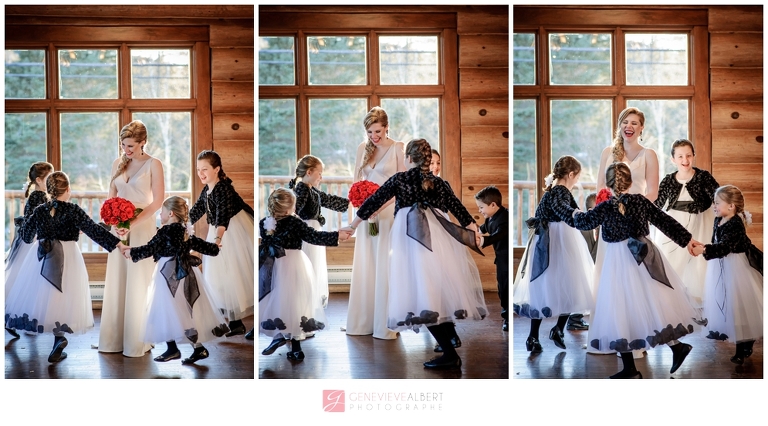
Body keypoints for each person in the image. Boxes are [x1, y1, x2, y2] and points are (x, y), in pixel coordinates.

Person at [341, 138, 488, 370]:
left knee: (422, 294)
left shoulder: (400, 179)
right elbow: (459, 209)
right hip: (439, 242)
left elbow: (373, 202)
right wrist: (474, 229)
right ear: (428, 160)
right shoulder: (440, 183)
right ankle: (449, 338)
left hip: (412, 242)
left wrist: (352, 225)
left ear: (408, 159)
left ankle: (450, 354)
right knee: (436, 288)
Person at [572, 162, 703, 378]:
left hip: (620, 262)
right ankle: (674, 348)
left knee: (619, 309)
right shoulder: (640, 201)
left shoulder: (605, 207)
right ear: (630, 181)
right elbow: (664, 220)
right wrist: (687, 239)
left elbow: (584, 222)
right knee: (650, 304)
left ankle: (633, 367)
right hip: (642, 258)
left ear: (609, 184)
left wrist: (572, 212)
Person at [5, 172, 125, 362]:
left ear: (50, 190)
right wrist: (118, 244)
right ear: (68, 189)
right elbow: (93, 230)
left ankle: (57, 338)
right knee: (63, 294)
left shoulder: (40, 210)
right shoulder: (73, 210)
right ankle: (59, 338)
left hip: (43, 255)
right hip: (68, 255)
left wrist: (31, 227)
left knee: (45, 295)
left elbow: (27, 236)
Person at [124, 196, 230, 364]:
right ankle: (199, 349)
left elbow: (151, 248)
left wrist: (131, 252)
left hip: (169, 275)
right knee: (183, 310)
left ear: (171, 213)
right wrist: (215, 245)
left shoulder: (166, 231)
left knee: (166, 309)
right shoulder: (186, 231)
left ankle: (173, 349)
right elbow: (205, 247)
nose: (160, 214)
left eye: (162, 212)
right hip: (186, 273)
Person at [593, 107, 659, 358]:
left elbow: (652, 191)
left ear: (642, 128)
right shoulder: (607, 153)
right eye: (625, 122)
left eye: (634, 123)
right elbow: (601, 187)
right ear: (619, 126)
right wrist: (603, 216)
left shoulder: (649, 154)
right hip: (610, 223)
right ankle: (610, 335)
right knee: (608, 280)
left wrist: (631, 208)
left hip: (635, 224)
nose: (629, 126)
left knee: (635, 280)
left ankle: (636, 337)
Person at [259, 188, 351, 361]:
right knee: (295, 303)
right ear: (289, 209)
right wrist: (337, 235)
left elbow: (267, 242)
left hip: (273, 265)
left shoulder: (264, 222)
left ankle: (278, 336)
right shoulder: (295, 222)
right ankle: (296, 347)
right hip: (294, 264)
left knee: (277, 300)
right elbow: (314, 237)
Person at [513, 156, 593, 352]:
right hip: (556, 241)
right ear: (571, 174)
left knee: (559, 285)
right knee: (560, 284)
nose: (576, 182)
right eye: (576, 177)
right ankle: (551, 331)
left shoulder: (553, 190)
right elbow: (562, 209)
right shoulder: (559, 191)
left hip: (552, 239)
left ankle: (546, 333)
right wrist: (577, 217)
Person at [99, 120, 165, 357]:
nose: (126, 150)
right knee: (118, 280)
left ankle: (137, 341)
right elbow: (110, 198)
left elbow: (157, 202)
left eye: (130, 145)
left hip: (142, 227)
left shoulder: (153, 164)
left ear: (142, 142)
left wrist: (132, 223)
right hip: (118, 230)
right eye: (123, 145)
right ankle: (113, 339)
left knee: (138, 281)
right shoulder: (117, 163)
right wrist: (115, 223)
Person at [345, 106, 405, 340]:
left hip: (388, 214)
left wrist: (379, 206)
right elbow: (355, 183)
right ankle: (362, 323)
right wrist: (362, 206)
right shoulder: (363, 149)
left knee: (385, 266)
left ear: (387, 127)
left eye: (378, 131)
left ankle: (385, 324)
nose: (374, 137)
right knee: (367, 265)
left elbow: (401, 185)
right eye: (370, 132)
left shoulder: (398, 148)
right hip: (367, 215)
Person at [691, 185, 762, 366]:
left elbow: (725, 247)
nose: (714, 206)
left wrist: (704, 250)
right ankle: (744, 341)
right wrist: (706, 246)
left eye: (717, 203)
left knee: (738, 306)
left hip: (738, 266)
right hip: (722, 265)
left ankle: (743, 344)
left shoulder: (735, 223)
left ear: (731, 206)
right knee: (728, 304)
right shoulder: (719, 219)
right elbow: (718, 243)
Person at [189, 150, 255, 339]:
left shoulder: (223, 188)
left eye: (205, 169)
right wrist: (180, 224)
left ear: (217, 169)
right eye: (198, 169)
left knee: (238, 275)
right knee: (219, 277)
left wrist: (218, 240)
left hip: (231, 232)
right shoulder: (207, 189)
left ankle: (250, 323)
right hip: (217, 230)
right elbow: (196, 211)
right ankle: (234, 323)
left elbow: (223, 218)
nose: (201, 173)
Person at [653, 139, 718, 308]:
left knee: (700, 262)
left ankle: (702, 299)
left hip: (701, 222)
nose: (685, 160)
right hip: (676, 223)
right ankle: (670, 299)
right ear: (673, 159)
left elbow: (717, 196)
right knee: (671, 258)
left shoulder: (703, 177)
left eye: (689, 155)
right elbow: (658, 204)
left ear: (694, 156)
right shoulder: (668, 180)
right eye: (680, 156)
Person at [289, 155, 349, 309]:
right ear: (309, 172)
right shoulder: (302, 188)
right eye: (320, 173)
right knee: (309, 268)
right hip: (308, 233)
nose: (321, 177)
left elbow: (328, 200)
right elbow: (294, 210)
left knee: (313, 268)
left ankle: (308, 306)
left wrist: (353, 202)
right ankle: (304, 306)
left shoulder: (311, 189)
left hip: (313, 230)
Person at [5, 161, 54, 338]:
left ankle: (22, 318)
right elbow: (37, 218)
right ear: (40, 180)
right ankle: (12, 317)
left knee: (28, 281)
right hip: (31, 240)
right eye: (49, 177)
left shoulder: (41, 194)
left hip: (33, 238)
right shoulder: (38, 196)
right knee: (24, 280)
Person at [475, 186, 509, 331]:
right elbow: (483, 228)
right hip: (501, 259)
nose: (479, 210)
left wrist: (481, 241)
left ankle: (507, 317)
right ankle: (505, 313)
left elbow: (497, 235)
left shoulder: (505, 217)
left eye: (481, 207)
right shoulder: (490, 217)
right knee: (501, 288)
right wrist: (473, 232)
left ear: (493, 205)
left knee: (506, 288)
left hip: (506, 258)